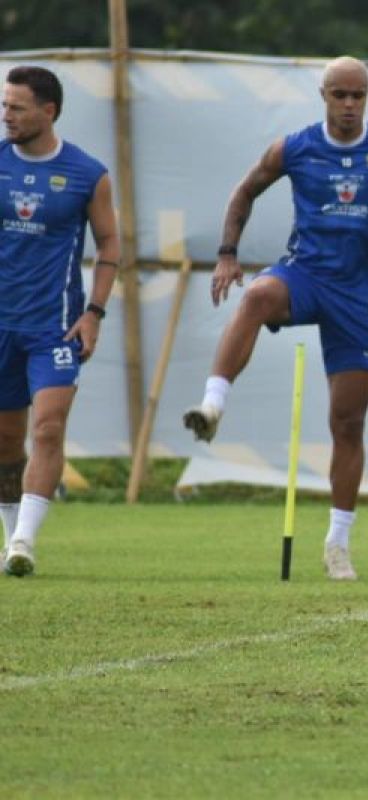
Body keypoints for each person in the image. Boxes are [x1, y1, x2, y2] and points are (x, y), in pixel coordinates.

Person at [183, 56, 368, 581]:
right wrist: (228, 253)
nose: (349, 106)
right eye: (339, 95)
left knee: (347, 423)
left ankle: (337, 544)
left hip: (357, 296)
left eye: (358, 96)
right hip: (305, 275)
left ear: (367, 97)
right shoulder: (294, 147)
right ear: (322, 94)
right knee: (256, 296)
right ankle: (213, 406)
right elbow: (245, 190)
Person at [0, 66, 119, 577]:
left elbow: (110, 243)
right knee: (6, 444)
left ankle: (25, 541)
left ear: (49, 112)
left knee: (48, 430)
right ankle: (11, 539)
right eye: (4, 106)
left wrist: (94, 312)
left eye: (17, 107)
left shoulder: (87, 174)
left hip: (55, 330)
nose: (7, 115)